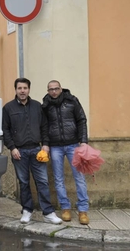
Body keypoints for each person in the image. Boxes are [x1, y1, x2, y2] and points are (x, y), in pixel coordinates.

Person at [2, 77, 62, 225]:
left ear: (29, 89)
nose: (22, 91)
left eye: (25, 88)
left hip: (37, 150)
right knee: (23, 183)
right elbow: (5, 130)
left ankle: (48, 212)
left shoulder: (37, 106)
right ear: (15, 90)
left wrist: (45, 145)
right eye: (19, 88)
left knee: (42, 182)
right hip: (19, 153)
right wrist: (12, 148)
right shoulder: (8, 108)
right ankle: (27, 211)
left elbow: (44, 127)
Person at [42, 80, 90, 225]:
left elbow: (81, 120)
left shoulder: (72, 101)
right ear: (48, 90)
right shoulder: (45, 106)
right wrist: (46, 144)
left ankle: (82, 210)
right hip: (55, 146)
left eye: (56, 89)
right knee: (58, 179)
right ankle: (65, 208)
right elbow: (44, 127)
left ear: (61, 89)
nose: (54, 92)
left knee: (79, 178)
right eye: (51, 89)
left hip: (73, 144)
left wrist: (83, 141)